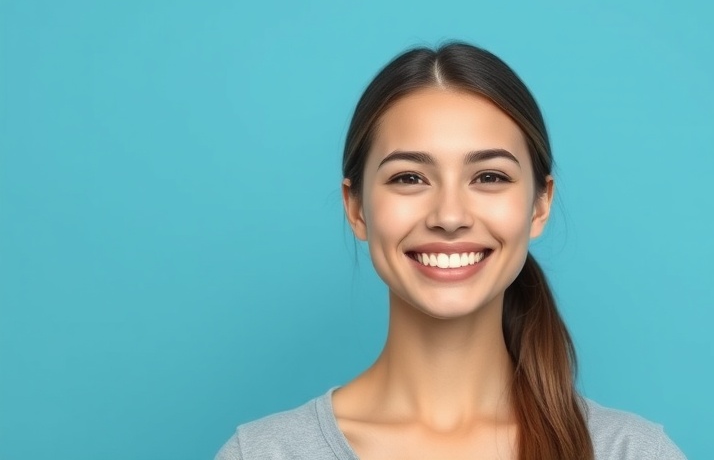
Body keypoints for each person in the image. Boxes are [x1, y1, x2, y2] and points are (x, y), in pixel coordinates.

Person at [215, 42, 687, 460]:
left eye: (489, 177)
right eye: (409, 178)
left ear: (540, 205)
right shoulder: (263, 453)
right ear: (356, 208)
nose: (450, 214)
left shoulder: (631, 452)